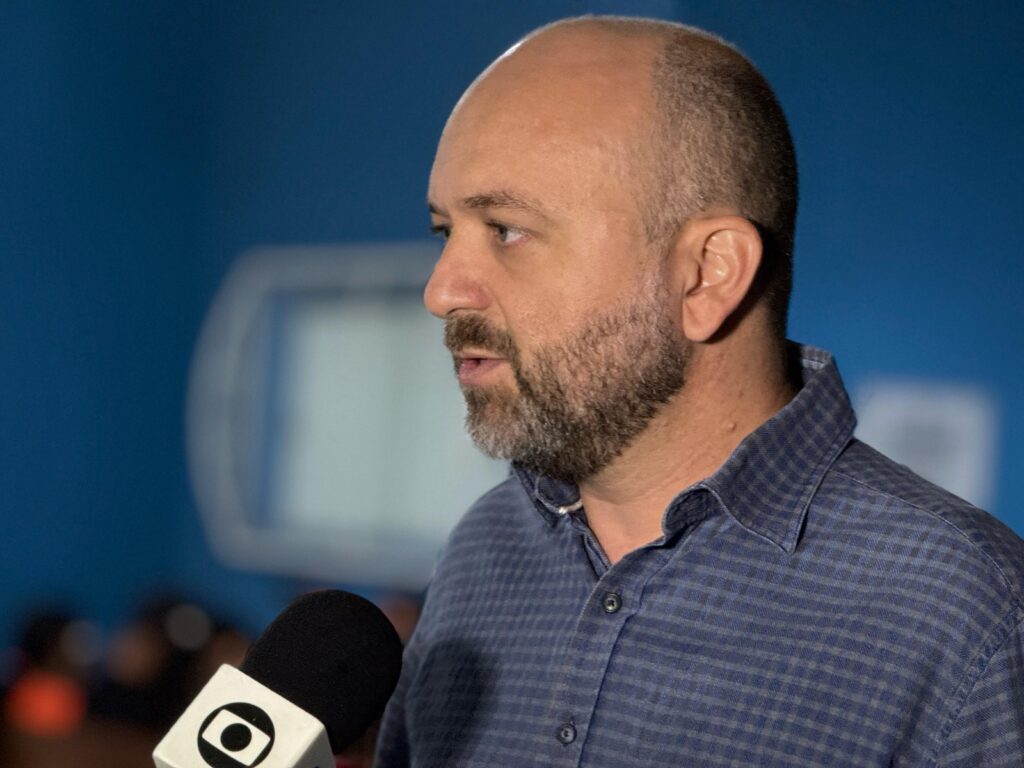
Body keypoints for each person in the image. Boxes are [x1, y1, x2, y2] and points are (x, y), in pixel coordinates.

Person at [374, 15, 1024, 767]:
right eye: (444, 232)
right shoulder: (483, 552)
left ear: (708, 273)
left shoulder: (968, 618)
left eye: (505, 229)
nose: (441, 291)